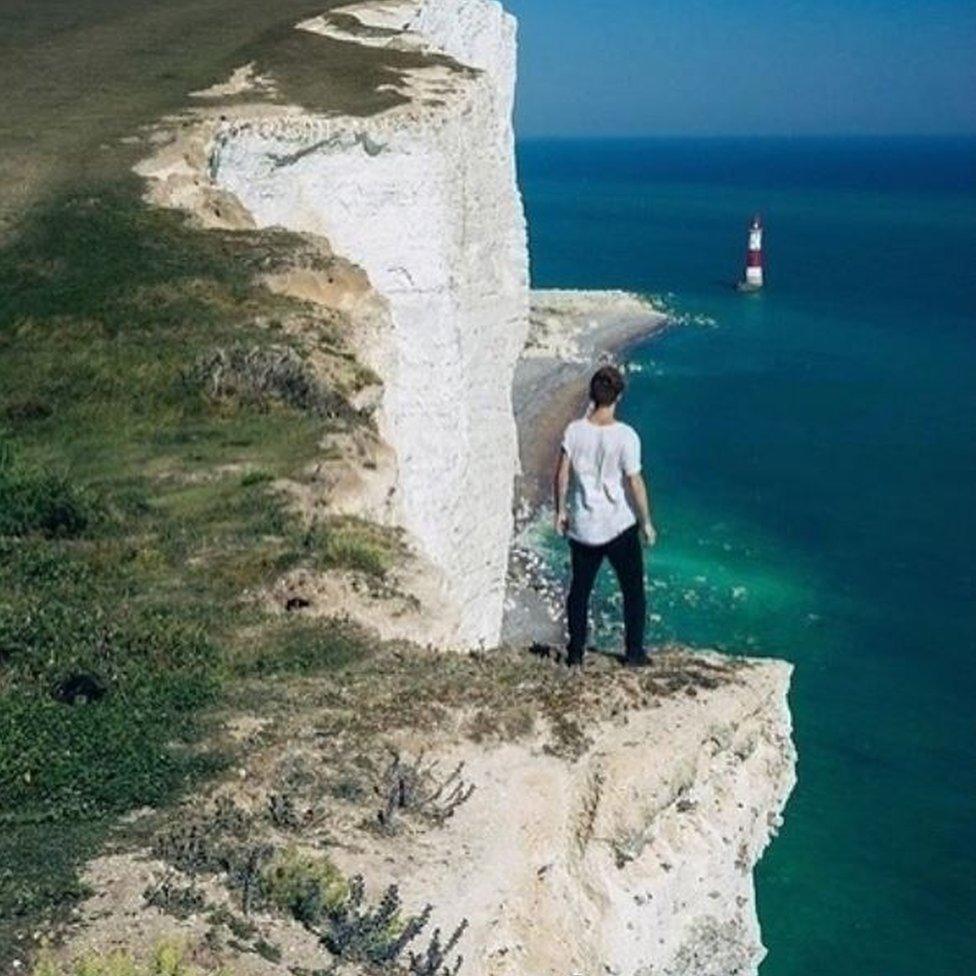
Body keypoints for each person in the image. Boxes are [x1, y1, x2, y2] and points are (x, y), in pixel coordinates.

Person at [553, 365, 656, 667]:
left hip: (584, 525)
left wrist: (560, 511)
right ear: (619, 397)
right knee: (633, 590)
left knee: (580, 591)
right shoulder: (626, 436)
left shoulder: (574, 431)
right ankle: (634, 653)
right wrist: (646, 522)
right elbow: (634, 481)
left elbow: (561, 474)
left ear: (591, 395)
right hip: (618, 524)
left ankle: (575, 653)